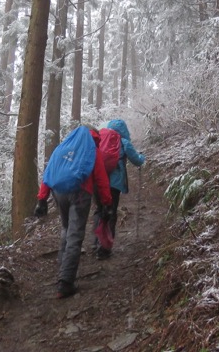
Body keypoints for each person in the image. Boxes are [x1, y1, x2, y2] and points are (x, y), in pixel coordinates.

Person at [34, 127, 112, 298]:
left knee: (66, 229)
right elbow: (101, 179)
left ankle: (63, 272)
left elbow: (48, 173)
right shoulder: (92, 150)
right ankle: (66, 282)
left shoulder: (61, 148)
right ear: (94, 136)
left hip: (58, 192)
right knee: (75, 235)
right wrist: (106, 203)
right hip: (80, 193)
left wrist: (42, 199)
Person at [92, 118, 146, 259]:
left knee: (99, 210)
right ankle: (105, 248)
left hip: (97, 182)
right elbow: (137, 160)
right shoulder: (123, 142)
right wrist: (143, 157)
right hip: (113, 185)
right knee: (111, 213)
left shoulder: (100, 140)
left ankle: (96, 241)